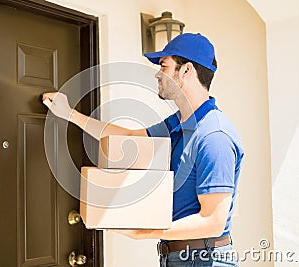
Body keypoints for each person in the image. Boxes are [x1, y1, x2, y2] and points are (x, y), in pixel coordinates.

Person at [42, 33, 244, 267]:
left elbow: (213, 221)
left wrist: (143, 232)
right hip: (178, 257)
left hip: (204, 259)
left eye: (164, 66)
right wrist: (69, 114)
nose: (158, 74)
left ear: (186, 70)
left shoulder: (214, 136)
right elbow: (127, 138)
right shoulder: (177, 124)